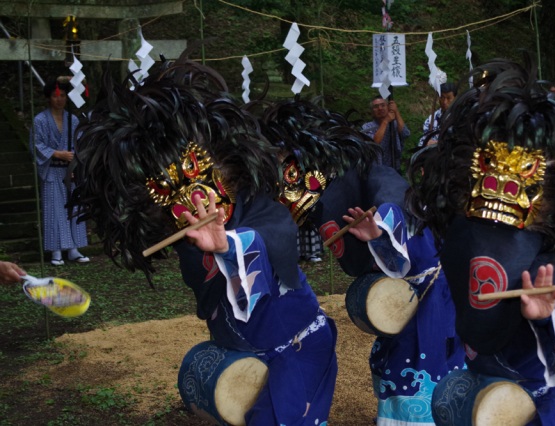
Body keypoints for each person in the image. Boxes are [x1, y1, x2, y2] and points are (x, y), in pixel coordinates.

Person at [71, 57, 337, 425]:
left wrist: (228, 246)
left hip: (297, 349)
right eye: (172, 196)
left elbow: (270, 236)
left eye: (199, 175)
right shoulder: (187, 240)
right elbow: (208, 294)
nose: (196, 200)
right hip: (245, 355)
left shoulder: (260, 208)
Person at [408, 55, 555, 425]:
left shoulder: (535, 260)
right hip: (488, 390)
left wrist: (543, 319)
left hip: (550, 402)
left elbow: (554, 368)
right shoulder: (460, 234)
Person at [343, 204, 465, 426]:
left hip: (457, 319)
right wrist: (378, 235)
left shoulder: (474, 218)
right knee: (412, 379)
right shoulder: (407, 208)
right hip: (419, 322)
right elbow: (391, 237)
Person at [30, 78, 89, 266]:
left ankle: (74, 249)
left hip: (70, 171)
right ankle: (56, 251)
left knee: (74, 207)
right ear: (49, 98)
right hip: (52, 170)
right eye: (55, 96)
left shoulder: (73, 119)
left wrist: (75, 166)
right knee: (54, 210)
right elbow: (36, 144)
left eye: (62, 96)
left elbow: (80, 144)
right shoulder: (40, 120)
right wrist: (57, 153)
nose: (59, 99)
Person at [361, 96, 409, 172]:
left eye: (383, 105)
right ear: (372, 111)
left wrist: (396, 112)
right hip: (376, 169)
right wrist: (385, 121)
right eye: (376, 107)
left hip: (394, 167)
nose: (380, 108)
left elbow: (405, 133)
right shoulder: (367, 127)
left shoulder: (394, 124)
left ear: (387, 107)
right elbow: (374, 143)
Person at [418, 82, 457, 148]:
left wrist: (438, 143)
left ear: (455, 98)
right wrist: (427, 142)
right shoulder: (432, 118)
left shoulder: (459, 116)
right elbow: (422, 140)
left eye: (448, 98)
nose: (445, 102)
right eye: (442, 97)